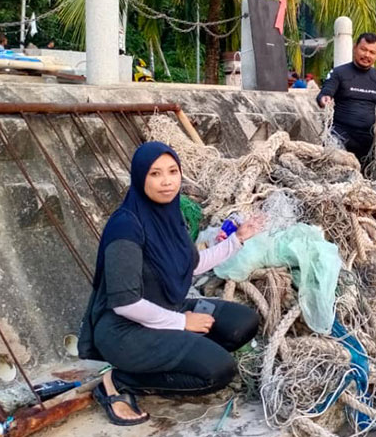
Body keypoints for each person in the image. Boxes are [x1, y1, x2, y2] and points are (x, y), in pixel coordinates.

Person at [78, 142, 265, 426]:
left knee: (243, 322)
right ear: (140, 177)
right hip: (125, 331)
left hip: (165, 307)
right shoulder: (125, 227)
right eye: (155, 174)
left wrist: (237, 239)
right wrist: (182, 322)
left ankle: (183, 355)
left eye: (172, 171)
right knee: (218, 371)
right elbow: (125, 303)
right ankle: (118, 381)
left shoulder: (170, 214)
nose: (167, 181)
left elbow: (190, 265)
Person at [316, 33, 376, 169]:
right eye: (363, 49)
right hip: (339, 137)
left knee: (364, 179)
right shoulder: (339, 72)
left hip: (366, 142)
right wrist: (324, 99)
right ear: (355, 48)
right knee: (336, 175)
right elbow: (325, 92)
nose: (367, 55)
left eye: (372, 52)